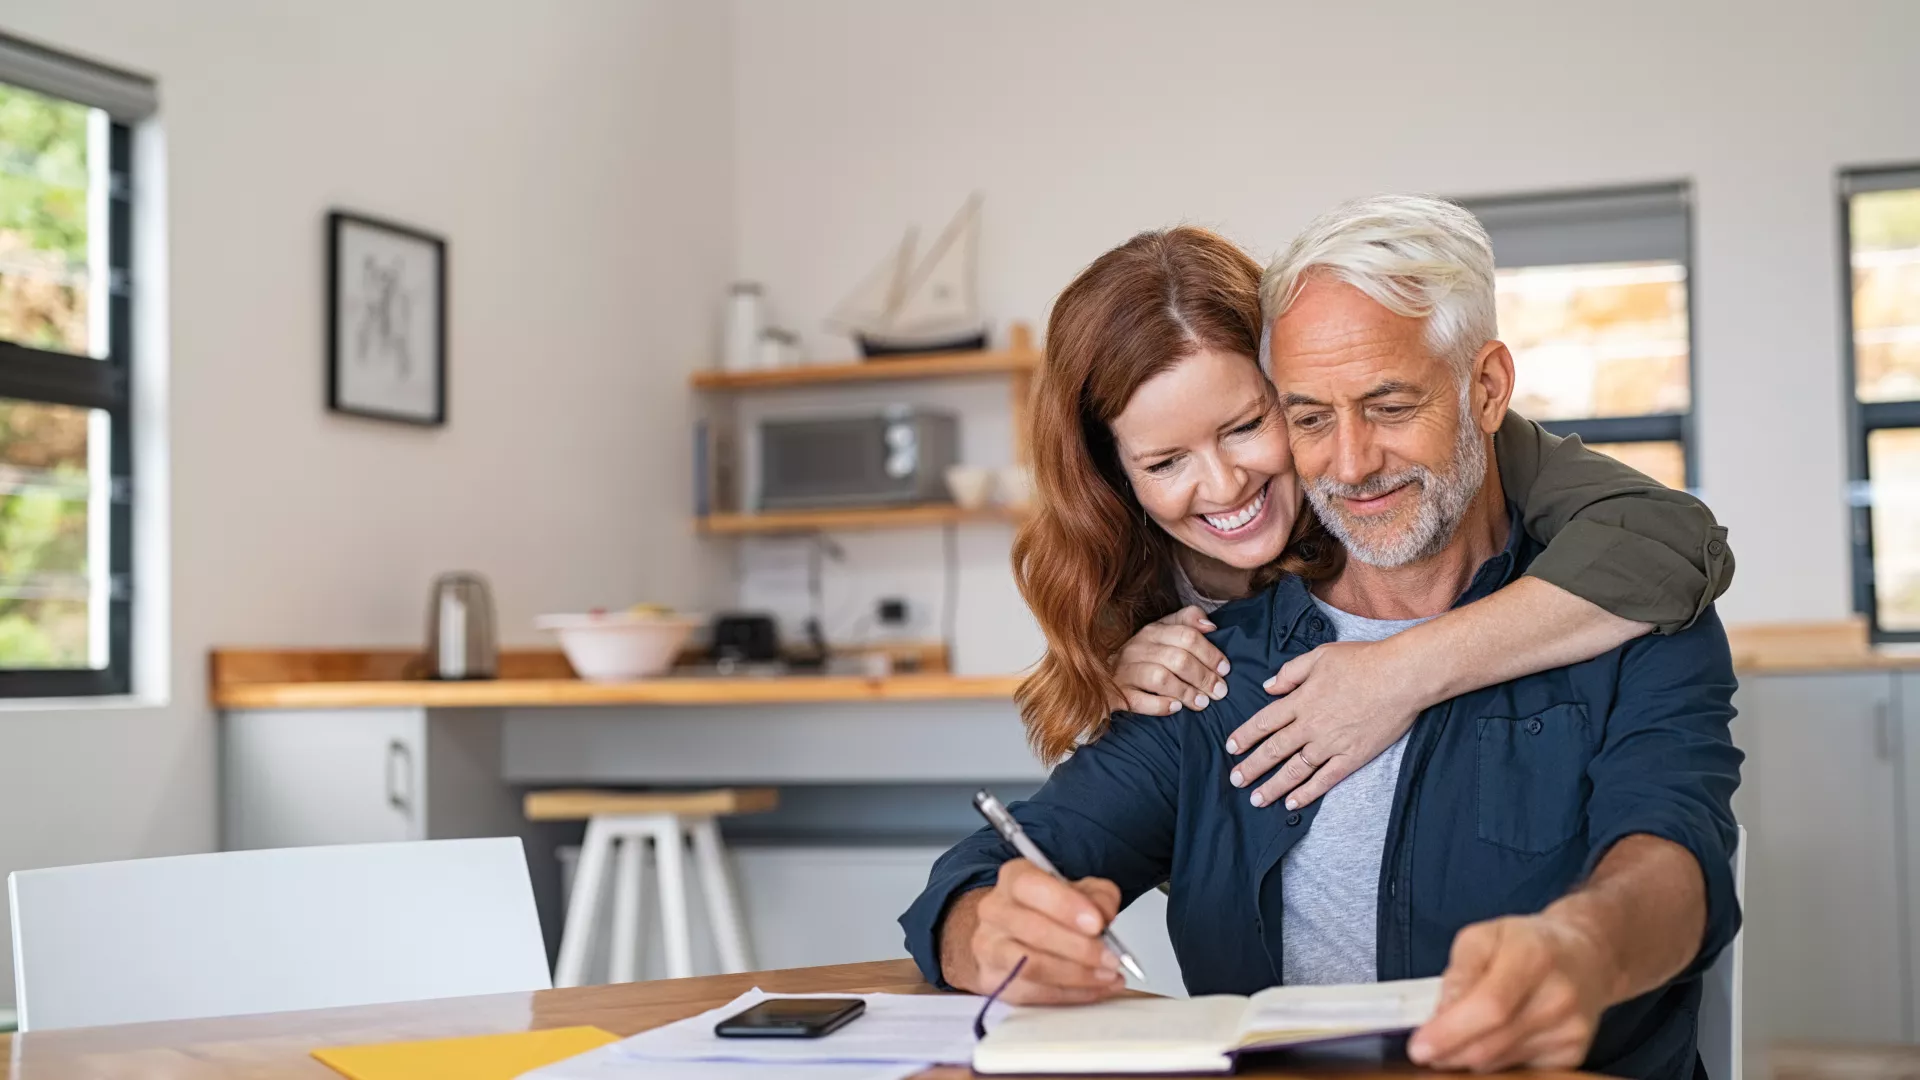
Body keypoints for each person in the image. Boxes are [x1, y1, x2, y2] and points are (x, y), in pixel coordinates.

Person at [902, 196, 1741, 1080]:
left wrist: (1586, 944)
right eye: (1308, 417)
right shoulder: (1205, 659)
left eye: (1388, 406)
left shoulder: (1621, 608)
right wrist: (981, 928)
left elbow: (1674, 849)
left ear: (1487, 390)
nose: (1349, 463)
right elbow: (993, 866)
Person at [1014, 226, 1732, 813]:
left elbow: (1674, 541)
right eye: (1165, 462)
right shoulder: (1109, 557)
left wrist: (1397, 673)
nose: (1224, 484)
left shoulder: (1421, 462)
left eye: (1244, 426)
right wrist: (1112, 671)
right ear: (1116, 472)